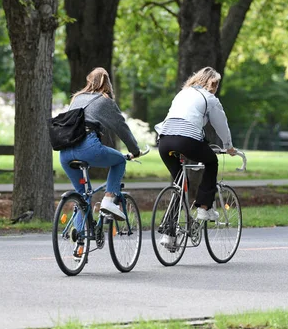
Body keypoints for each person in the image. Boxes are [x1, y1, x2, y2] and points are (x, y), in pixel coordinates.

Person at [59, 67, 142, 220]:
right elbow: (121, 127)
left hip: (65, 152)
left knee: (83, 196)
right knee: (119, 161)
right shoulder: (105, 99)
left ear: (89, 81)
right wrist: (134, 150)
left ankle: (80, 240)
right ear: (108, 83)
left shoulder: (77, 97)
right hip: (87, 147)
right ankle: (108, 201)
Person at [156, 66, 236, 222]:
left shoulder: (182, 93)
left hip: (164, 140)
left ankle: (169, 232)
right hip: (186, 140)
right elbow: (221, 124)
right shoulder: (209, 98)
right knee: (211, 161)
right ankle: (204, 208)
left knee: (180, 184)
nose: (216, 88)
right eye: (216, 84)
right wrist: (228, 146)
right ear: (211, 83)